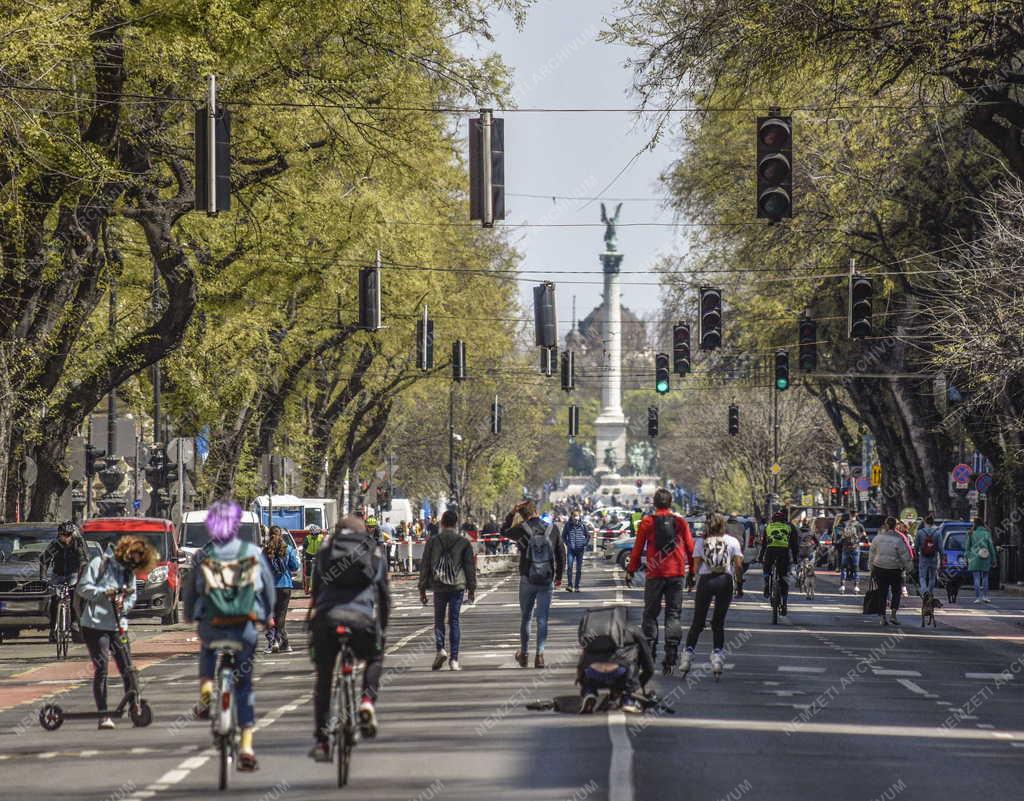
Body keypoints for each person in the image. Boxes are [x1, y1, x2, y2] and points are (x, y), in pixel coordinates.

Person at [184, 500, 276, 771]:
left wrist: (190, 615)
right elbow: (268, 590)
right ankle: (246, 746)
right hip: (244, 627)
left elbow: (190, 593)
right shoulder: (252, 552)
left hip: (212, 623)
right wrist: (268, 617)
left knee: (208, 649)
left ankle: (205, 696)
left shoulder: (202, 555)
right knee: (244, 685)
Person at [307, 516, 391, 761]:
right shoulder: (373, 552)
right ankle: (366, 701)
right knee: (375, 657)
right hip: (362, 620)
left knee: (324, 678)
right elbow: (384, 598)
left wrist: (311, 624)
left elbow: (315, 593)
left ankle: (322, 742)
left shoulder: (325, 552)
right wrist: (381, 631)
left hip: (328, 621)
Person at [76, 535, 157, 729]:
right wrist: (103, 593)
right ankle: (103, 715)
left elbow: (132, 595)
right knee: (102, 668)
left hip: (118, 625)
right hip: (95, 625)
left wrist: (123, 605)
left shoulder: (129, 571)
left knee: (128, 668)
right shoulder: (99, 564)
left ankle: (135, 708)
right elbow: (82, 588)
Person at [625, 487, 695, 673]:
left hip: (655, 574)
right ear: (670, 503)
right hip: (676, 574)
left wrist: (631, 570)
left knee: (650, 614)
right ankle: (671, 653)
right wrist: (693, 572)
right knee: (673, 614)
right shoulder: (680, 523)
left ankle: (650, 651)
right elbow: (690, 548)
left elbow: (638, 548)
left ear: (654, 503)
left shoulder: (647, 522)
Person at [502, 499, 565, 668]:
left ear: (522, 515)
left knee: (526, 618)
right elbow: (561, 553)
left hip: (527, 577)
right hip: (546, 579)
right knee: (543, 619)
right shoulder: (552, 529)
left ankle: (524, 654)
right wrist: (558, 576)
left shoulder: (521, 529)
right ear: (536, 511)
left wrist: (511, 512)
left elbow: (503, 531)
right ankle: (540, 656)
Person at [680, 514, 744, 676]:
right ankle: (717, 657)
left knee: (698, 621)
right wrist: (739, 585)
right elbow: (738, 566)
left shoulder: (701, 542)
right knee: (718, 622)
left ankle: (687, 656)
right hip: (725, 580)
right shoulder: (732, 541)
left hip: (706, 581)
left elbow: (695, 567)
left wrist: (692, 581)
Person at [419, 509, 476, 671]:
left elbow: (425, 566)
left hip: (439, 585)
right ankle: (454, 659)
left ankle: (440, 649)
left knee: (439, 620)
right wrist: (471, 588)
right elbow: (469, 567)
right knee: (454, 621)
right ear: (456, 523)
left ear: (442, 523)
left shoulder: (433, 541)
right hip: (457, 586)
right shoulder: (463, 542)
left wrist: (422, 588)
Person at [577, 607, 654, 714]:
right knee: (631, 662)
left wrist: (581, 679)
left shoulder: (589, 630)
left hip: (592, 672)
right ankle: (627, 699)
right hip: (620, 673)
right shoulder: (633, 630)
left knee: (587, 664)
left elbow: (583, 657)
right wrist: (636, 686)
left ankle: (589, 693)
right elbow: (649, 666)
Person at [40, 520, 90, 641]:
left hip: (74, 573)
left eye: (68, 535)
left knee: (75, 598)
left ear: (72, 534)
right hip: (58, 574)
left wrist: (81, 579)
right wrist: (43, 576)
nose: (65, 538)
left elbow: (84, 561)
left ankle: (75, 623)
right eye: (63, 535)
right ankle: (53, 629)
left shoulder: (78, 543)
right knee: (54, 600)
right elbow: (44, 560)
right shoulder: (55, 544)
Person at [263, 525, 301, 653]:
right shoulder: (288, 549)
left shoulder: (266, 550)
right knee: (281, 616)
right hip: (285, 585)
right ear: (281, 535)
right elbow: (295, 566)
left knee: (271, 615)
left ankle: (274, 641)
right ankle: (284, 643)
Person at [869, 517, 912, 625]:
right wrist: (909, 568)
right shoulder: (899, 539)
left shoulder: (878, 538)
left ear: (886, 525)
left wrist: (871, 567)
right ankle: (893, 615)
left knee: (882, 593)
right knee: (896, 592)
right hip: (895, 569)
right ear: (895, 526)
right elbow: (905, 555)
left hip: (880, 567)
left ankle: (882, 617)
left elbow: (872, 554)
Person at [758, 510, 799, 616]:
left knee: (766, 568)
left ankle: (767, 583)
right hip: (783, 553)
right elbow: (795, 546)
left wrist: (760, 557)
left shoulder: (768, 527)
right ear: (785, 520)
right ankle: (784, 603)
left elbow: (764, 545)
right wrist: (795, 559)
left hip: (770, 551)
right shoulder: (790, 527)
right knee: (784, 577)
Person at [966, 518, 996, 604]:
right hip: (985, 557)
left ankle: (978, 597)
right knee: (985, 577)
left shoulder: (971, 534)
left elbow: (967, 547)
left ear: (975, 524)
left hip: (974, 558)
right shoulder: (987, 534)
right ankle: (985, 596)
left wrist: (967, 557)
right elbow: (991, 547)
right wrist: (994, 559)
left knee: (976, 578)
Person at [561, 509, 591, 592]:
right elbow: (563, 536)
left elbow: (588, 536)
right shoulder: (567, 525)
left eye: (577, 516)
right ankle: (570, 585)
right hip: (571, 550)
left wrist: (584, 543)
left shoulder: (583, 525)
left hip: (580, 550)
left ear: (579, 516)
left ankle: (577, 586)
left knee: (578, 569)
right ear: (571, 516)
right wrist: (567, 543)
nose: (576, 518)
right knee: (569, 567)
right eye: (574, 516)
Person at [839, 512, 867, 593]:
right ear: (856, 515)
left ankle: (842, 585)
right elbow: (864, 535)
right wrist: (859, 539)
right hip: (855, 547)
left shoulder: (845, 524)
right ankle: (856, 586)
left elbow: (841, 535)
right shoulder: (859, 525)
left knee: (843, 567)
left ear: (849, 515)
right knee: (856, 567)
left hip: (845, 547)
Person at [302, 524, 324, 593]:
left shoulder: (322, 538)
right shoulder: (307, 538)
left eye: (316, 534)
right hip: (309, 555)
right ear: (310, 533)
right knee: (308, 572)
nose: (314, 536)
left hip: (318, 555)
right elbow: (304, 548)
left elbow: (324, 547)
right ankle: (307, 588)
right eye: (312, 534)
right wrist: (304, 556)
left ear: (318, 533)